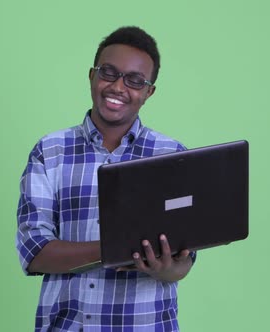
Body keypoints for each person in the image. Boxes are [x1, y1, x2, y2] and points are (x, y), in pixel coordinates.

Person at [16, 26, 196, 331]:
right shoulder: (50, 150)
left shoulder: (172, 156)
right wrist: (118, 249)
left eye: (135, 80)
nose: (118, 87)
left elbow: (184, 260)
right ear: (91, 76)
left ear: (149, 91)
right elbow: (35, 251)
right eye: (109, 72)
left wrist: (165, 266)